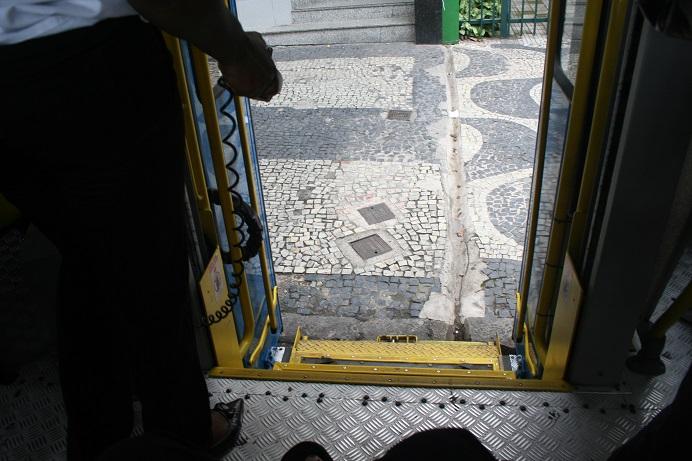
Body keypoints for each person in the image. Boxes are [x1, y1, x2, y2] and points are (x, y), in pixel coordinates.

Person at [0, 1, 281, 460]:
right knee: (151, 276)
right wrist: (237, 52)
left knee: (87, 261)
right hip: (86, 73)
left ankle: (98, 443)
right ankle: (184, 435)